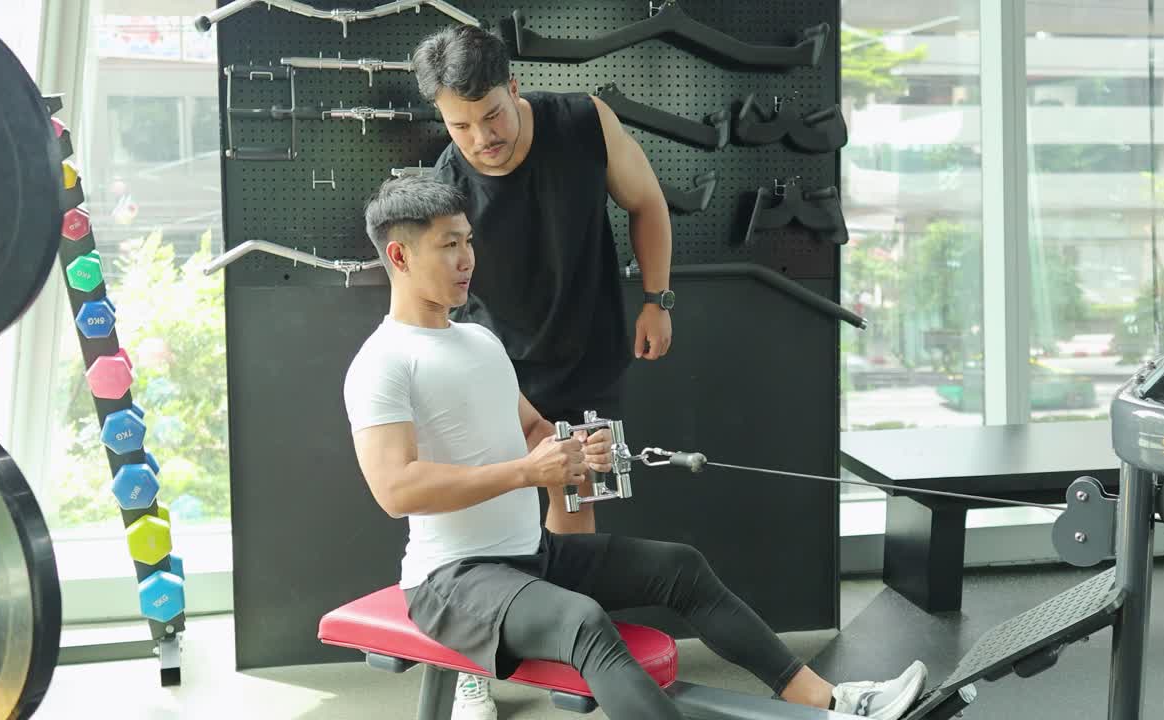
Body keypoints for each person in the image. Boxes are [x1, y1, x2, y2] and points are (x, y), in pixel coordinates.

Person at [343, 174, 929, 720]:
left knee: (680, 568)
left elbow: (532, 431)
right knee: (584, 621)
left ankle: (833, 704)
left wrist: (575, 450)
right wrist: (527, 473)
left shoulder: (478, 340)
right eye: (449, 245)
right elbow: (396, 490)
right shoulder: (383, 363)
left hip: (529, 554)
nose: (467, 258)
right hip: (451, 581)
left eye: (468, 240)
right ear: (400, 255)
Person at [412, 26, 673, 711]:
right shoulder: (445, 181)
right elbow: (434, 295)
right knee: (485, 521)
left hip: (591, 349)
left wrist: (657, 299)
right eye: (459, 124)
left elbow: (647, 202)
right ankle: (472, 661)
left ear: (515, 88)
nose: (479, 137)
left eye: (491, 115)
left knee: (577, 501)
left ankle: (571, 657)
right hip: (495, 365)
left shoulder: (584, 121)